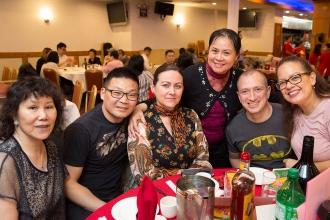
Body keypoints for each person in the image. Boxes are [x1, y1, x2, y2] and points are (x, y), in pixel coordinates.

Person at [129, 28, 243, 168]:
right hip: (190, 153)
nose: (219, 57)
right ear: (208, 51)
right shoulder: (190, 75)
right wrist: (139, 107)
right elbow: (168, 95)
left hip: (227, 153)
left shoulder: (241, 79)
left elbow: (263, 95)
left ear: (237, 56)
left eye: (226, 53)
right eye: (214, 51)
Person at [64, 67, 139, 219]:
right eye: (116, 93)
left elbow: (156, 101)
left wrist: (139, 109)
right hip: (87, 203)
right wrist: (108, 209)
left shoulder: (129, 114)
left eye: (131, 95)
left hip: (118, 196)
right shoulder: (81, 130)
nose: (124, 100)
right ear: (103, 93)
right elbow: (68, 184)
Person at [128, 64, 212, 185]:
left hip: (192, 188)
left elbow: (202, 157)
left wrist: (188, 182)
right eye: (165, 85)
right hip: (157, 192)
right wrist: (185, 175)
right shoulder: (141, 120)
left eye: (178, 86)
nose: (172, 92)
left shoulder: (190, 115)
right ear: (153, 87)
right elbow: (143, 175)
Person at [0, 76, 66, 219]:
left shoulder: (51, 147)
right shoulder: (6, 162)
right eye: (33, 107)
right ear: (14, 116)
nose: (43, 116)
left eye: (49, 107)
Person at [226, 70, 292, 169]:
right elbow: (234, 158)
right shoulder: (233, 128)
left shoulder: (289, 116)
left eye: (258, 89)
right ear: (239, 96)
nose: (252, 97)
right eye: (245, 91)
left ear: (268, 91)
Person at [276, 55, 330, 172]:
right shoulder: (295, 110)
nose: (289, 86)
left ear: (312, 78)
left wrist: (299, 166)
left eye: (295, 78)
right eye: (283, 83)